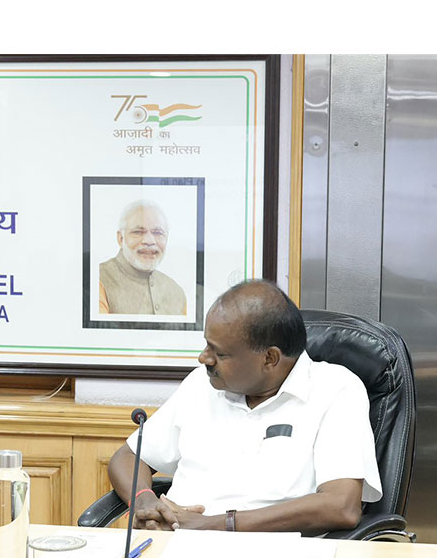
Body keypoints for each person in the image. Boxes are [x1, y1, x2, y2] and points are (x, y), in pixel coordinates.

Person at [107, 280, 382, 532]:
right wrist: (144, 500)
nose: (204, 358)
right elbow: (128, 457)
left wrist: (213, 526)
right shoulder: (201, 385)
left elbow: (341, 506)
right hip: (172, 545)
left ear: (270, 359)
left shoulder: (335, 389)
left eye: (220, 353)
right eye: (207, 345)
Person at [98, 200, 187, 315]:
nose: (149, 241)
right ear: (121, 238)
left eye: (158, 233)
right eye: (138, 232)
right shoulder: (98, 279)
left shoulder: (176, 292)